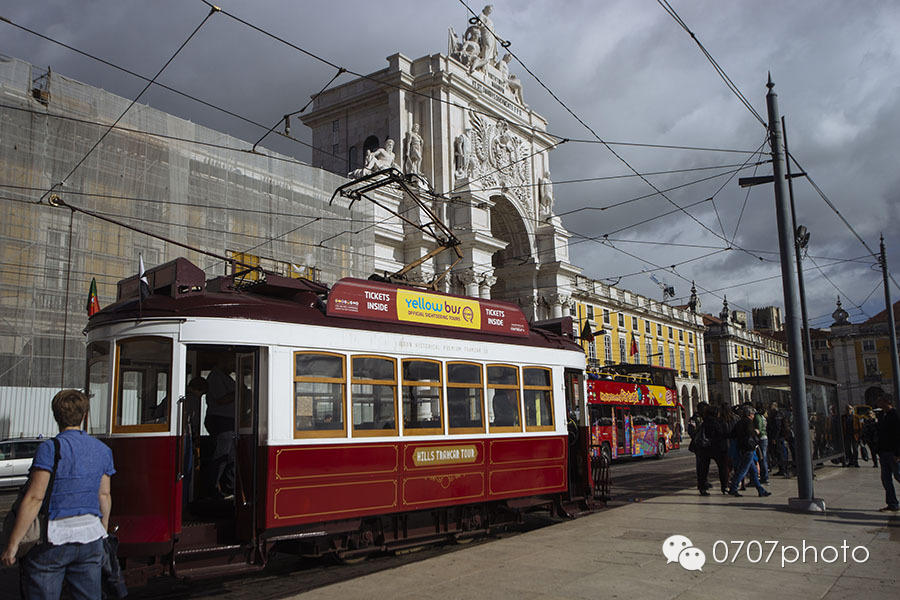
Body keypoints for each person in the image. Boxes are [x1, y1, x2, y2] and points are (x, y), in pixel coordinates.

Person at [1, 389, 115, 599]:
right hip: (91, 538)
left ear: (55, 415)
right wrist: (103, 532)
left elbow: (35, 498)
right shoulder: (102, 450)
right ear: (84, 416)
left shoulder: (50, 448)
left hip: (54, 540)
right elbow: (104, 496)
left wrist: (13, 544)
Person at [205, 356, 236, 499]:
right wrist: (239, 394)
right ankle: (212, 489)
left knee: (231, 456)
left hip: (229, 421)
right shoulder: (216, 376)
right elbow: (220, 399)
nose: (233, 366)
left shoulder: (225, 376)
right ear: (223, 361)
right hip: (221, 420)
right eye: (231, 362)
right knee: (221, 455)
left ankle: (229, 488)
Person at [726, 404, 770, 497]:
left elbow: (732, 434)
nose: (753, 416)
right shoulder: (749, 422)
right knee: (743, 470)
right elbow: (750, 433)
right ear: (749, 414)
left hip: (741, 448)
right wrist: (756, 432)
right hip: (748, 448)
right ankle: (733, 488)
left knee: (753, 471)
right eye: (753, 414)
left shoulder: (739, 422)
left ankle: (760, 490)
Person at [691, 403, 729, 496]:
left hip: (704, 448)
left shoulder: (704, 423)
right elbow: (723, 434)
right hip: (718, 448)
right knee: (722, 467)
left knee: (703, 469)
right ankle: (724, 486)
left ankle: (702, 488)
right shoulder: (719, 422)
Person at [872, 395, 900, 512]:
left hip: (893, 453)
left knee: (898, 475)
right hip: (884, 452)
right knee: (886, 479)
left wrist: (898, 453)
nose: (878, 404)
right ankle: (892, 504)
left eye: (880, 401)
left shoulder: (895, 415)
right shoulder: (883, 416)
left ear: (887, 402)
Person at [753, 403, 769, 483]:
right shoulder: (763, 416)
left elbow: (759, 428)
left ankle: (764, 477)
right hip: (764, 437)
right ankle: (765, 476)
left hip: (761, 438)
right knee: (763, 457)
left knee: (762, 458)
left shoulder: (757, 417)